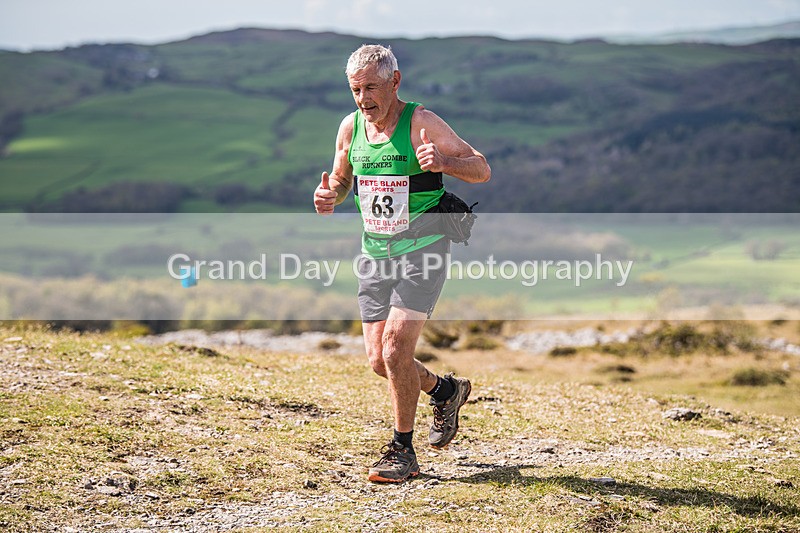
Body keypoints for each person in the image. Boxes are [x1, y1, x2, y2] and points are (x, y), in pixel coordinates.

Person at [313, 44, 491, 483]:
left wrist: (445, 162)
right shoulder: (350, 128)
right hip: (375, 254)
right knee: (379, 361)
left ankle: (402, 451)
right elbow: (341, 179)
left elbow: (481, 168)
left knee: (395, 349)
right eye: (355, 89)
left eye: (371, 87)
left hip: (424, 248)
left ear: (395, 81)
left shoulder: (421, 123)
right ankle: (446, 391)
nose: (363, 98)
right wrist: (329, 196)